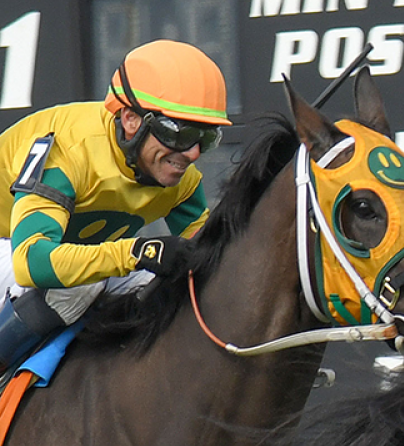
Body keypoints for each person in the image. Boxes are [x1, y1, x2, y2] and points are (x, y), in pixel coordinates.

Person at [0, 39, 231, 372]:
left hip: (57, 253)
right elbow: (31, 262)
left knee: (168, 291)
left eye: (206, 138)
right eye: (179, 134)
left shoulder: (181, 178)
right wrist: (136, 252)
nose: (193, 153)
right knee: (81, 285)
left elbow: (207, 255)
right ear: (131, 119)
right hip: (18, 247)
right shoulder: (68, 154)